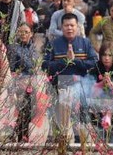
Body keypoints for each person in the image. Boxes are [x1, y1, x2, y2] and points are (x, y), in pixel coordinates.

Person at [42, 13, 98, 143]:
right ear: (61, 27)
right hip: (58, 89)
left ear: (77, 27)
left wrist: (75, 61)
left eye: (72, 25)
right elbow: (44, 65)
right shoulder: (53, 44)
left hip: (81, 89)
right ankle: (59, 145)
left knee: (80, 125)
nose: (69, 28)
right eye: (66, 25)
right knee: (59, 125)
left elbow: (94, 63)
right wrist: (64, 62)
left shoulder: (85, 43)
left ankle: (80, 146)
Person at [87, 42, 113, 143]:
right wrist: (101, 83)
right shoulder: (94, 69)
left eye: (110, 55)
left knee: (112, 144)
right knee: (100, 143)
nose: (106, 58)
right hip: (98, 111)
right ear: (100, 55)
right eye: (104, 55)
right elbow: (88, 91)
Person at [7, 23, 40, 142]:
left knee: (31, 110)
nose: (23, 34)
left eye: (26, 32)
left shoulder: (33, 48)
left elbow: (36, 65)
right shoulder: (13, 48)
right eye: (21, 31)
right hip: (19, 83)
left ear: (31, 34)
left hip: (32, 83)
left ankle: (19, 134)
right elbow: (11, 69)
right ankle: (21, 136)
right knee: (23, 109)